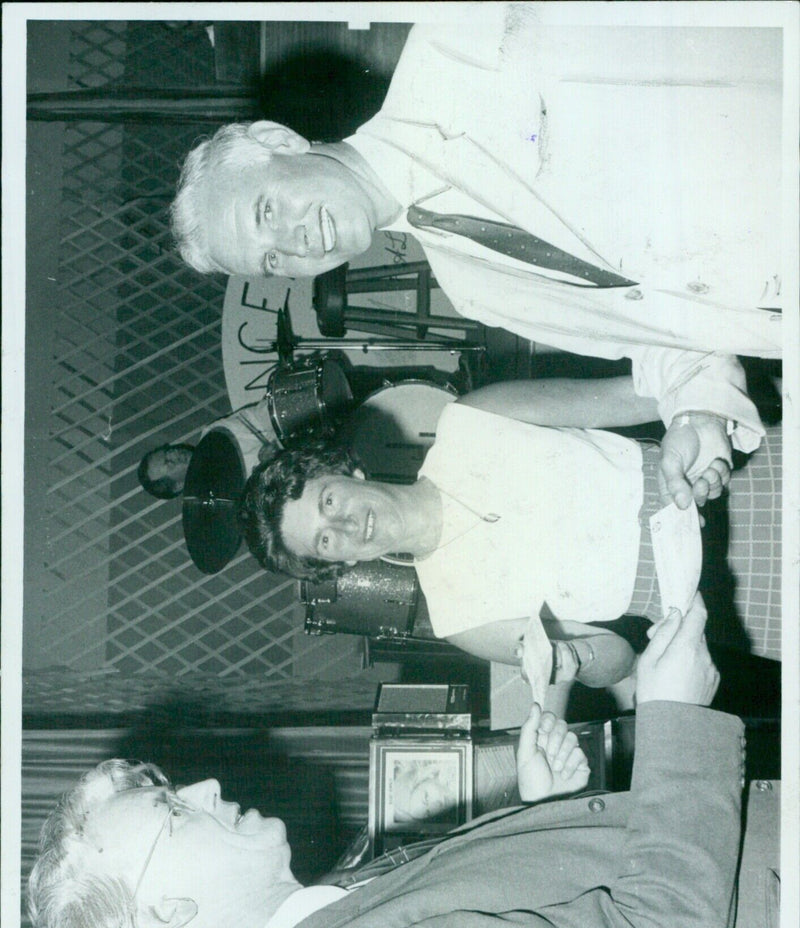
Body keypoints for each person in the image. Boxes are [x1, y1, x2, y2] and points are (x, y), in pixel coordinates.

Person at [26, 596, 780, 928]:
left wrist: (540, 810)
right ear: (164, 915)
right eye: (172, 810)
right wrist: (679, 719)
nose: (205, 789)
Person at [169, 5, 783, 512]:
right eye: (272, 262)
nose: (294, 244)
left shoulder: (463, 40)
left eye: (267, 213)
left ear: (281, 142)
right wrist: (699, 406)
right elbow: (662, 320)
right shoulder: (477, 292)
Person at [238, 377, 782, 681]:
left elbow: (635, 393)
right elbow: (615, 660)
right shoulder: (460, 620)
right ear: (341, 564)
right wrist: (569, 661)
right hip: (733, 600)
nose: (346, 523)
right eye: (326, 540)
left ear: (347, 470)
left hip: (730, 472)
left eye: (329, 500)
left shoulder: (472, 419)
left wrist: (698, 426)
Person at [137, 398, 280, 500]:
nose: (175, 453)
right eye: (169, 462)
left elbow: (260, 415)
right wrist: (265, 467)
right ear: (178, 486)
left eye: (168, 451)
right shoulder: (222, 499)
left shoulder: (213, 433)